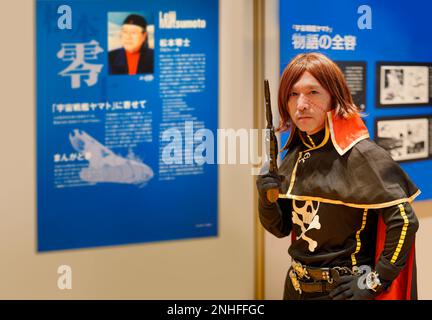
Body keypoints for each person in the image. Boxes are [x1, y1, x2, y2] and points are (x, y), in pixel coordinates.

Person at [256, 52, 420, 300]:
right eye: (292, 94)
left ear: (335, 97)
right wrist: (266, 200)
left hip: (342, 293)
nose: (301, 104)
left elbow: (405, 223)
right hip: (295, 287)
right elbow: (280, 228)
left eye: (313, 92)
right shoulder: (295, 155)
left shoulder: (363, 154)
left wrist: (374, 282)